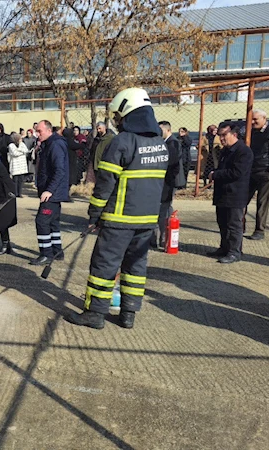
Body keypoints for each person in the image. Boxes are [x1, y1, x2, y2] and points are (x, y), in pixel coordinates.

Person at [66, 87, 167, 330]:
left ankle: (95, 314)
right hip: (147, 221)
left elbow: (105, 184)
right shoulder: (159, 144)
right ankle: (128, 313)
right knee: (135, 266)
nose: (116, 122)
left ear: (127, 114)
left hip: (119, 219)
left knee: (104, 266)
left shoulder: (122, 142)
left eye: (118, 117)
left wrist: (94, 213)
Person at [208, 125, 253, 264]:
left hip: (235, 194)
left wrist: (216, 174)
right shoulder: (226, 151)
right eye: (219, 136)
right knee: (222, 222)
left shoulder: (243, 152)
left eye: (224, 135)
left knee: (234, 224)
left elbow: (237, 172)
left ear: (234, 134)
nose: (221, 139)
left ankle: (234, 252)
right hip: (223, 193)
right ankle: (224, 248)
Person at [29, 120, 69, 266]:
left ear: (48, 130)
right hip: (52, 192)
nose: (37, 134)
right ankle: (57, 251)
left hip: (52, 193)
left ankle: (46, 254)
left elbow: (59, 170)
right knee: (53, 223)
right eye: (36, 131)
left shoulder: (55, 144)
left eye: (39, 131)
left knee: (42, 221)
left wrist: (49, 190)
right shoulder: (47, 144)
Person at [245, 109, 269, 240]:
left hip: (265, 171)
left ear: (264, 118)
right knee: (242, 199)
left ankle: (259, 230)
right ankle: (239, 226)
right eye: (252, 120)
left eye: (256, 119)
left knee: (262, 202)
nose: (253, 122)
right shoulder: (249, 132)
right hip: (250, 171)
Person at [153, 121, 182, 250]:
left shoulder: (173, 143)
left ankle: (164, 238)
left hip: (167, 183)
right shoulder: (166, 143)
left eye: (160, 130)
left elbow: (172, 164)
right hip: (164, 182)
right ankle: (162, 238)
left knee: (163, 210)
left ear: (167, 130)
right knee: (164, 209)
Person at [7, 132, 30, 198]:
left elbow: (26, 150)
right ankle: (15, 192)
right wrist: (21, 152)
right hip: (15, 165)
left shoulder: (22, 144)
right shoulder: (11, 145)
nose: (21, 140)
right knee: (15, 180)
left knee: (21, 180)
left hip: (22, 165)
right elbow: (14, 153)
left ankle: (19, 193)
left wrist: (19, 150)